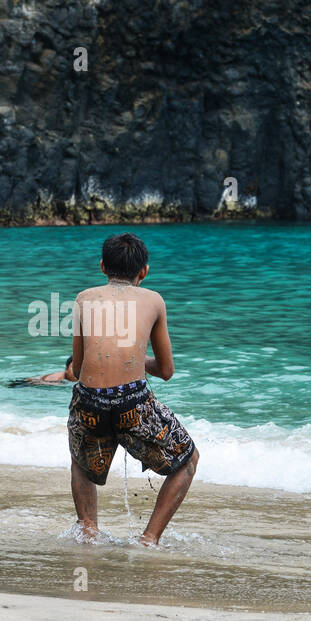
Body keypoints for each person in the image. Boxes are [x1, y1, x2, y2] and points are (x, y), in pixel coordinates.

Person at [67, 233, 198, 547]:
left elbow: (78, 369)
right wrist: (139, 358)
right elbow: (166, 371)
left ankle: (88, 533)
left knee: (80, 461)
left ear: (102, 267)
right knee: (188, 460)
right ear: (145, 271)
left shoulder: (84, 298)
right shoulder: (154, 300)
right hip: (132, 404)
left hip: (90, 400)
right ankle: (149, 539)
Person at [11, 356, 78, 386]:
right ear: (66, 369)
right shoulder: (55, 379)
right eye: (73, 368)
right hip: (27, 383)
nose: (76, 372)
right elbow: (37, 383)